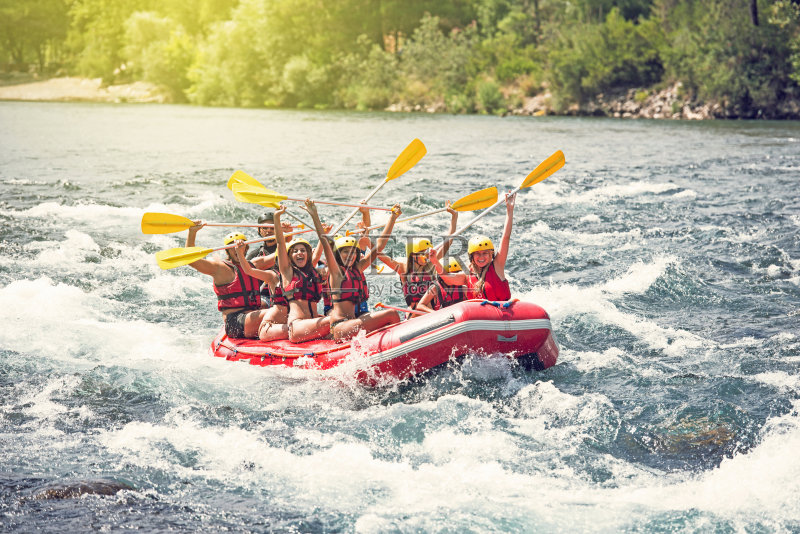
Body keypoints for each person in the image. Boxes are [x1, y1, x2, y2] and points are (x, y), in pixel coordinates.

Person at [313, 202, 403, 341]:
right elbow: (324, 242)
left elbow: (379, 245)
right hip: (341, 326)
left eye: (353, 252)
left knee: (387, 318)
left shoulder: (358, 268)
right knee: (392, 314)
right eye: (345, 252)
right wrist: (314, 214)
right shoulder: (336, 272)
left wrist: (392, 218)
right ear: (337, 255)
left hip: (354, 321)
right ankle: (400, 350)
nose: (350, 255)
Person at [185, 223, 266, 339]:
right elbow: (192, 261)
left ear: (246, 248)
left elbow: (281, 254)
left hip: (252, 317)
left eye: (239, 247)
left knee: (278, 307)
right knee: (271, 313)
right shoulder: (220, 268)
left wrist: (285, 234)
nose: (236, 249)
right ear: (227, 251)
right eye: (232, 247)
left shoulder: (254, 264)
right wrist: (192, 233)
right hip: (235, 324)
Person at [377, 201, 458, 312]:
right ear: (414, 256)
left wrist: (454, 216)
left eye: (427, 251)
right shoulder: (403, 269)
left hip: (432, 311)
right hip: (414, 313)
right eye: (423, 253)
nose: (427, 255)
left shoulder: (431, 263)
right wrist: (393, 218)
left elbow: (449, 241)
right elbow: (378, 253)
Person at [434, 192, 516, 301]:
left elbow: (506, 237)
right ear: (471, 257)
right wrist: (434, 260)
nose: (481, 257)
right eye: (477, 253)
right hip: (479, 316)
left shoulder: (497, 266)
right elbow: (446, 278)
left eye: (485, 253)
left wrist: (509, 210)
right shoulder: (467, 276)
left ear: (491, 254)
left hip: (503, 312)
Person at [273, 204, 329, 343]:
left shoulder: (314, 272)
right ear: (290, 256)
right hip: (297, 327)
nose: (299, 253)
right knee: (336, 319)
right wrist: (277, 217)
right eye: (295, 251)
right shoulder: (287, 272)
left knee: (344, 322)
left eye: (303, 250)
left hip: (314, 323)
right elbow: (280, 243)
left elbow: (323, 240)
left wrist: (314, 214)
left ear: (308, 254)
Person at [233, 239, 290, 341]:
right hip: (276, 319)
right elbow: (248, 270)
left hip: (292, 316)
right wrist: (239, 253)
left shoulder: (301, 274)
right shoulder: (273, 276)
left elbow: (316, 258)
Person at [246, 211, 291, 308]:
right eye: (265, 228)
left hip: (287, 293)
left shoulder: (290, 247)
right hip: (263, 295)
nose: (269, 231)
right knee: (258, 304)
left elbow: (288, 252)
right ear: (259, 231)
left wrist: (288, 236)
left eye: (272, 228)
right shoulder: (254, 255)